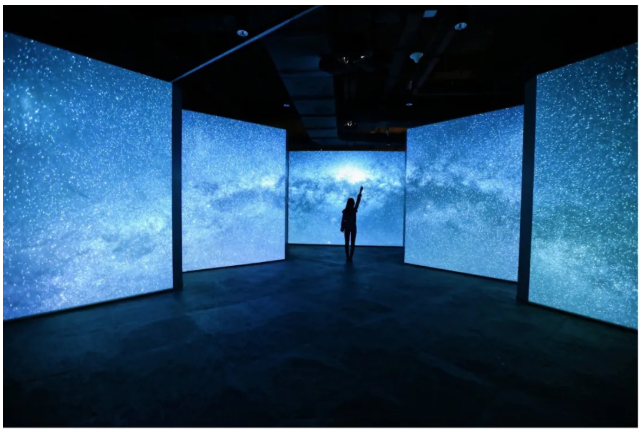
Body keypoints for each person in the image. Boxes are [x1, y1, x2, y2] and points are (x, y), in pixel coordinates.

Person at [340, 186, 363, 262]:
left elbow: (358, 201)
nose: (353, 204)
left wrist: (360, 192)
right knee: (347, 243)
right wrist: (342, 227)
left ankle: (350, 257)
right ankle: (348, 256)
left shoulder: (353, 210)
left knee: (352, 243)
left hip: (352, 227)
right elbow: (343, 220)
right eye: (352, 203)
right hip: (349, 227)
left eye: (353, 203)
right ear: (349, 203)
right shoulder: (347, 211)